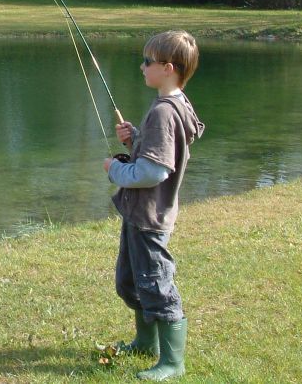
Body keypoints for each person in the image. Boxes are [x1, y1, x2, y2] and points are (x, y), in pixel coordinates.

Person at [102, 30, 204, 381]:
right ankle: (146, 343)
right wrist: (137, 137)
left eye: (148, 62)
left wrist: (116, 169)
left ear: (168, 68)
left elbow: (154, 171)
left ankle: (172, 363)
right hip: (138, 214)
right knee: (130, 282)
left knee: (157, 287)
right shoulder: (175, 103)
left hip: (150, 218)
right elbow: (159, 149)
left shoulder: (164, 111)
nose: (142, 66)